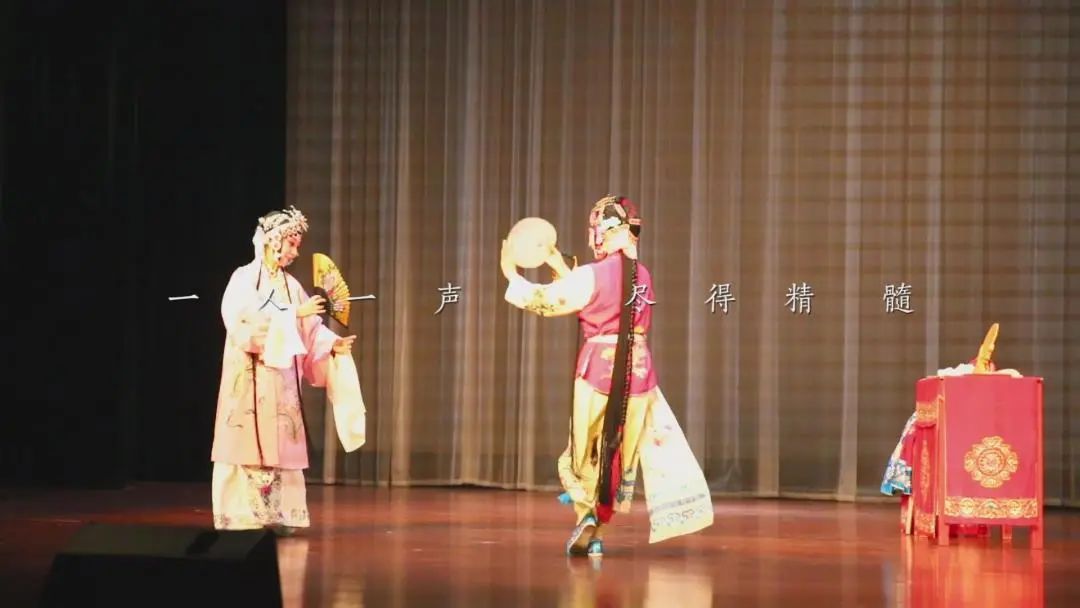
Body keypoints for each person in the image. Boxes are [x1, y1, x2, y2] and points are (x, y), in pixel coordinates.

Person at [501, 196, 713, 557]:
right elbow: (596, 294)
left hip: (599, 368)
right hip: (638, 371)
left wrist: (511, 273)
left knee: (585, 451)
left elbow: (551, 299)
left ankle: (586, 515)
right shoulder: (641, 275)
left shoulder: (593, 274)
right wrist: (556, 261)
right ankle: (597, 532)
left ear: (602, 231)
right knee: (618, 453)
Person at [210, 206, 357, 535]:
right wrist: (293, 314)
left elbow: (311, 329)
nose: (294, 252)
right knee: (246, 438)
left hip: (281, 381)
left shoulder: (291, 285)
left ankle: (280, 515)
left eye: (297, 246)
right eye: (291, 244)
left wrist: (332, 344)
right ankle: (242, 515)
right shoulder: (244, 279)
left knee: (282, 436)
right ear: (272, 241)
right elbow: (243, 323)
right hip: (250, 377)